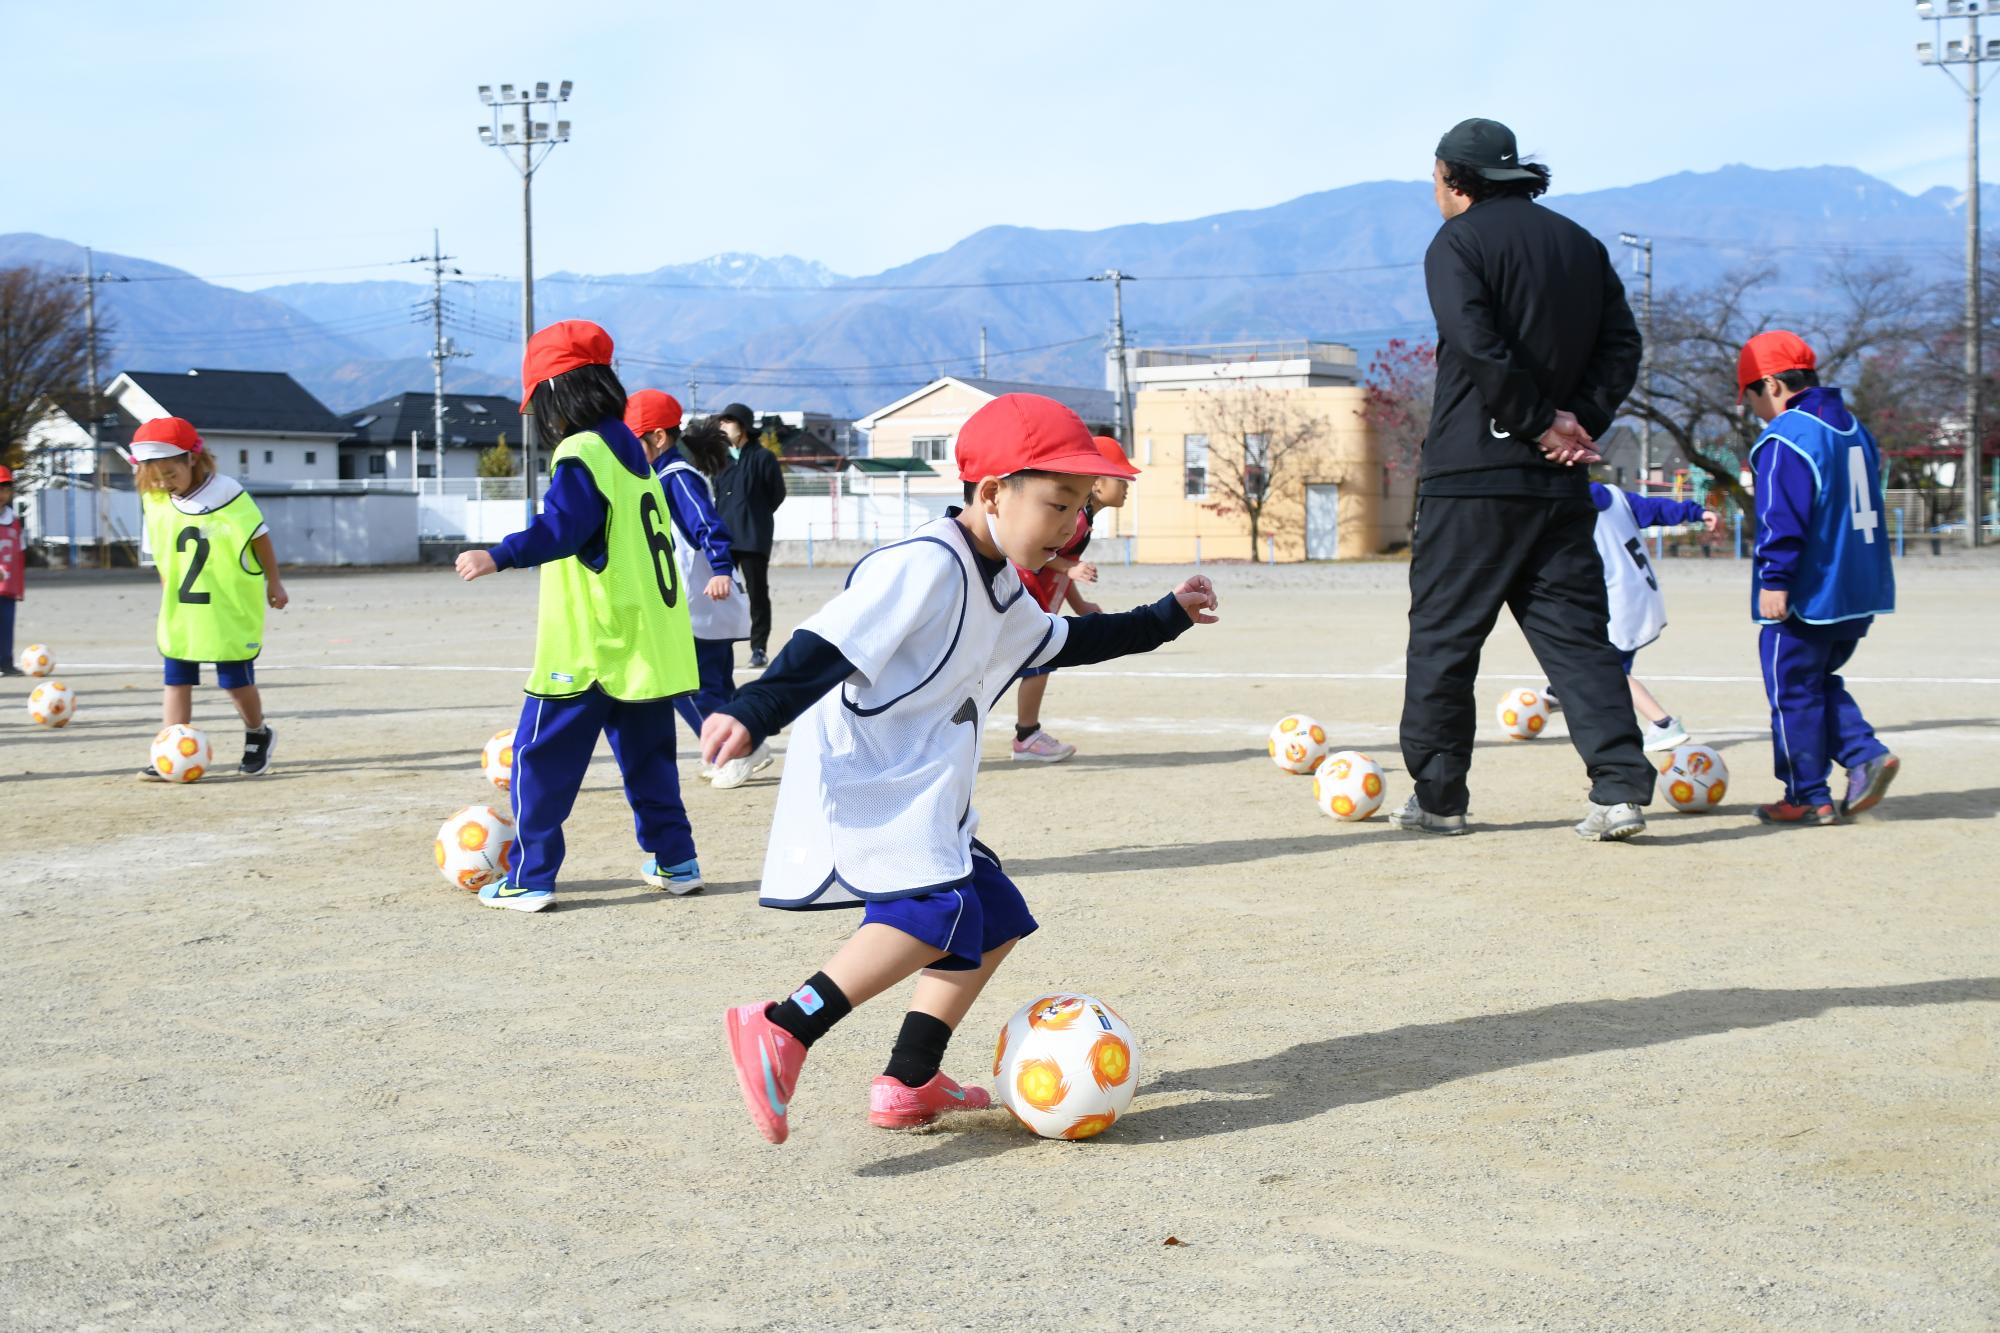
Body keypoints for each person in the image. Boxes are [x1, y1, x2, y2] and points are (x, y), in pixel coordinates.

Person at [698, 394, 1218, 1144]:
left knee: (993, 908)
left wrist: (1165, 614)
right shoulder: (927, 564)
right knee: (936, 910)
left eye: (1078, 508)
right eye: (1056, 504)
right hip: (863, 784)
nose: (1071, 525)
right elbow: (829, 644)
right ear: (991, 493)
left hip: (919, 789)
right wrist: (754, 710)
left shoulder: (1003, 584)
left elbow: (1064, 642)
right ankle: (782, 1026)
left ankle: (909, 1080)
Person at [1392, 116, 1656, 842]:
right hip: (1557, 481)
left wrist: (1539, 420)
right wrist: (1580, 420)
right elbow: (1623, 343)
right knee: (1577, 638)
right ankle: (1620, 790)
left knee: (1445, 640)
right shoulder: (1579, 242)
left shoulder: (1457, 242)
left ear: (1453, 178)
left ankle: (1441, 799)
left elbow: (1476, 343)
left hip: (1472, 476)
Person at [454, 322, 704, 909]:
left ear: (557, 395)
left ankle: (531, 877)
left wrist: (498, 554)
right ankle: (677, 861)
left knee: (539, 761)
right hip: (645, 647)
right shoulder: (630, 448)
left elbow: (563, 529)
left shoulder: (581, 452)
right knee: (650, 762)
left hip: (589, 646)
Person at [1738, 330, 1899, 826]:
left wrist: (1775, 580)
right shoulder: (1854, 428)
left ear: (1770, 385)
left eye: (1750, 396)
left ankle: (1808, 793)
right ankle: (1862, 752)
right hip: (1859, 588)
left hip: (1810, 591)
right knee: (1815, 682)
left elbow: (1780, 519)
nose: (1752, 410)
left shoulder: (1787, 436)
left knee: (1791, 689)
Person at [127, 417, 287, 778]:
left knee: (235, 682)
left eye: (171, 473)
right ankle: (168, 747)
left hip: (226, 607)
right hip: (183, 609)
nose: (165, 483)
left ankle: (257, 733)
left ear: (193, 460)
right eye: (156, 477)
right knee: (176, 678)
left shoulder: (227, 494)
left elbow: (259, 537)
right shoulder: (155, 500)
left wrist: (274, 583)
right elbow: (163, 549)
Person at [625, 390, 769, 789]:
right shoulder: (663, 477)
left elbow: (709, 526)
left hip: (697, 602)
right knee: (715, 685)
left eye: (631, 440)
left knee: (685, 685)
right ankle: (742, 745)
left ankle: (737, 751)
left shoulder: (677, 478)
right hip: (697, 603)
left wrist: (722, 568)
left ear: (657, 438)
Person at [1545, 483, 1721, 751]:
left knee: (1609, 668)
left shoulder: (1568, 501)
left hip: (1619, 600)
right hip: (1643, 592)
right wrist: (1696, 513)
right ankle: (1558, 692)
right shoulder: (1616, 496)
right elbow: (1658, 509)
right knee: (1594, 653)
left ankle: (1664, 724)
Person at [1010, 435, 1132, 762]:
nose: (1127, 484)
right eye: (1120, 478)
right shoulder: (1075, 518)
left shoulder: (1082, 519)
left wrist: (1079, 603)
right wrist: (1070, 567)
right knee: (1038, 663)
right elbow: (1032, 550)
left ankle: (1023, 734)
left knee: (1024, 664)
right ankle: (1027, 737)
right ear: (1095, 482)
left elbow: (1061, 562)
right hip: (1026, 598)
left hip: (1036, 601)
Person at [712, 402, 786, 668]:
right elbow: (717, 495)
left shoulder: (763, 457)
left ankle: (759, 647)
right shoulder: (720, 460)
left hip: (754, 536)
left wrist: (757, 513)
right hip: (725, 537)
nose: (723, 427)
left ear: (742, 427)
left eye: (728, 422)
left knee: (756, 593)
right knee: (723, 594)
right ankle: (722, 645)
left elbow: (777, 494)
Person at [0, 465, 22, 675]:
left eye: (5, 489)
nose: (2, 494)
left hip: (7, 584)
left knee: (6, 623)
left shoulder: (14, 520)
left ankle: (6, 661)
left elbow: (19, 551)